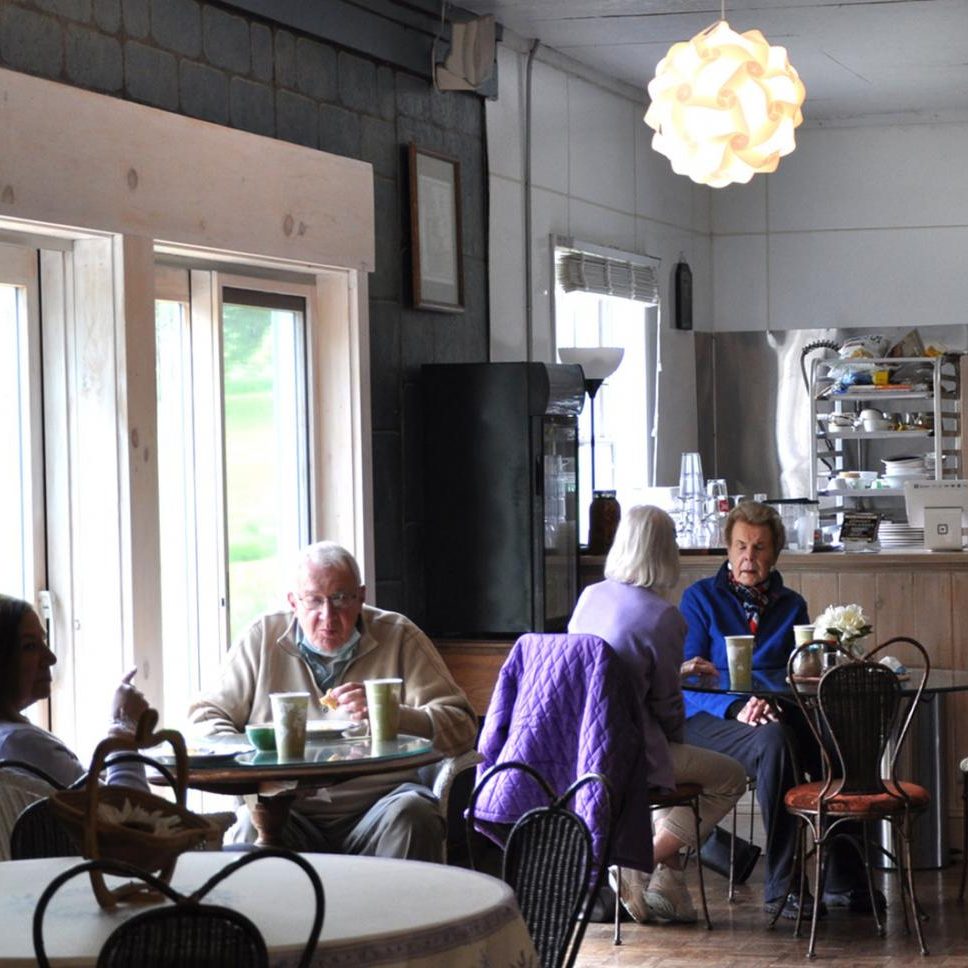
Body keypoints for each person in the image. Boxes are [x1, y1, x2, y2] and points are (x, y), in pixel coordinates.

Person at [187, 540, 477, 861]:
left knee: (415, 817)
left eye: (340, 599)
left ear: (362, 597)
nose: (328, 616)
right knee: (248, 830)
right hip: (287, 808)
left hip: (380, 807)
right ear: (293, 602)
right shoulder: (262, 639)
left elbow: (462, 727)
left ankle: (404, 914)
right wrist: (257, 762)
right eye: (314, 601)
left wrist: (393, 715)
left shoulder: (399, 636)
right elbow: (204, 720)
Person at [679, 501, 881, 919]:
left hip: (777, 711)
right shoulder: (700, 599)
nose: (747, 558)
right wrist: (737, 706)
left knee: (836, 739)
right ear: (727, 549)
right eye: (739, 547)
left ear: (774, 554)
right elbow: (689, 677)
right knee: (776, 742)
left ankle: (844, 879)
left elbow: (796, 673)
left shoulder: (791, 605)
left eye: (758, 548)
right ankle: (783, 886)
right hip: (708, 719)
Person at [568, 505, 747, 924]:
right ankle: (635, 863)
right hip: (632, 754)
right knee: (728, 777)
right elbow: (667, 707)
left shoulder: (590, 597)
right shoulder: (664, 616)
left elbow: (602, 671)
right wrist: (675, 728)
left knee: (677, 775)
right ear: (667, 552)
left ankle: (670, 890)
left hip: (583, 748)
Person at [0, 594, 149, 790]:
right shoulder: (20, 743)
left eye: (43, 642)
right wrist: (123, 729)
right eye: (30, 646)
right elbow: (131, 814)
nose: (51, 658)